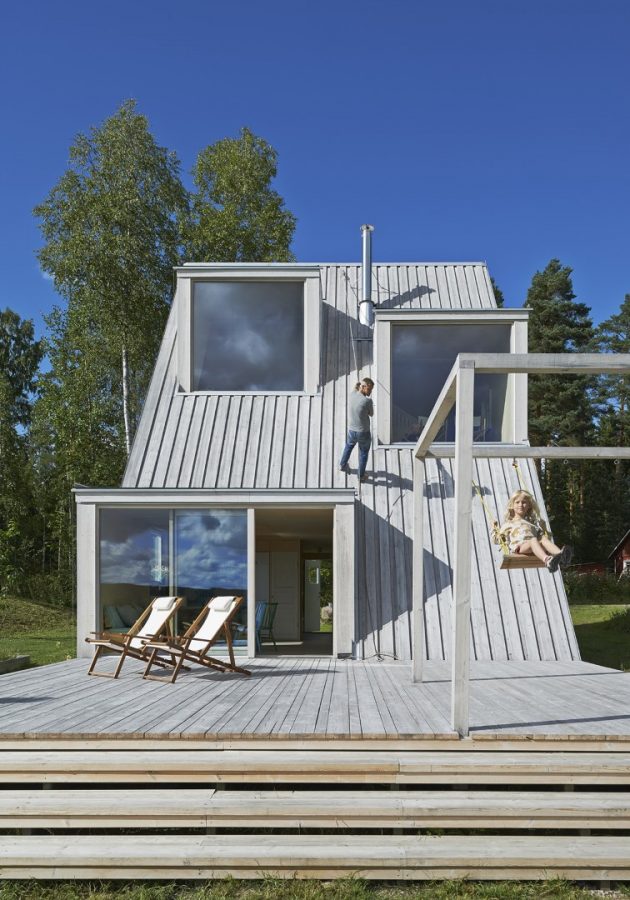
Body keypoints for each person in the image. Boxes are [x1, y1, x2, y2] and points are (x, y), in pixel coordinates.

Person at [493, 489, 572, 572]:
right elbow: (497, 540)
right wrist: (494, 530)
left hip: (535, 547)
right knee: (533, 540)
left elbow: (544, 538)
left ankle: (561, 556)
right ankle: (547, 561)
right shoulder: (509, 524)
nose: (520, 505)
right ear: (512, 505)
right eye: (517, 502)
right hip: (520, 548)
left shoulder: (532, 525)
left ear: (529, 506)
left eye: (524, 502)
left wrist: (543, 528)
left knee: (543, 539)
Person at [339, 378, 374, 482]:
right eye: (369, 389)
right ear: (363, 387)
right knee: (364, 453)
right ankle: (361, 476)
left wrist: (358, 385)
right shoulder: (367, 401)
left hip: (351, 430)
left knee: (348, 446)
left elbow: (355, 387)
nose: (370, 392)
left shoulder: (352, 395)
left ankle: (342, 465)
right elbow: (371, 414)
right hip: (363, 432)